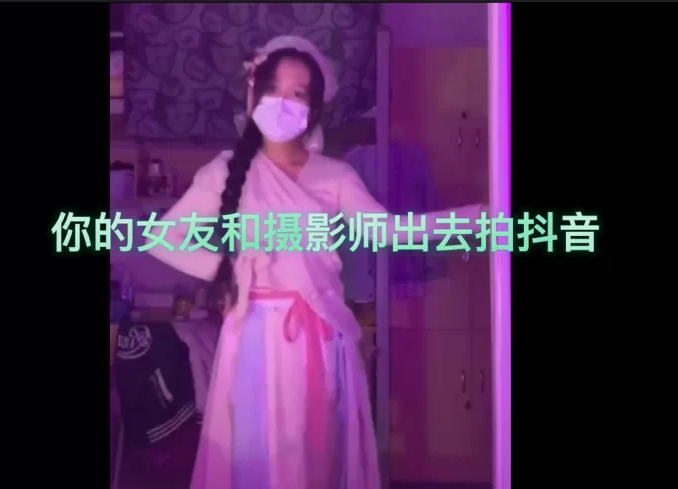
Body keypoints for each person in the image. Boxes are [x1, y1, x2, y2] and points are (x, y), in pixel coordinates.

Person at [144, 35, 486, 489]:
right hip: (256, 341)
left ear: (314, 108)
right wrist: (228, 270)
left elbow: (387, 232)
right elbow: (160, 238)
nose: (282, 103)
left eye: (298, 94)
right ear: (253, 94)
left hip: (322, 337)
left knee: (316, 461)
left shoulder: (335, 175)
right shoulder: (227, 171)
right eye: (273, 90)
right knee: (256, 460)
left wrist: (474, 217)